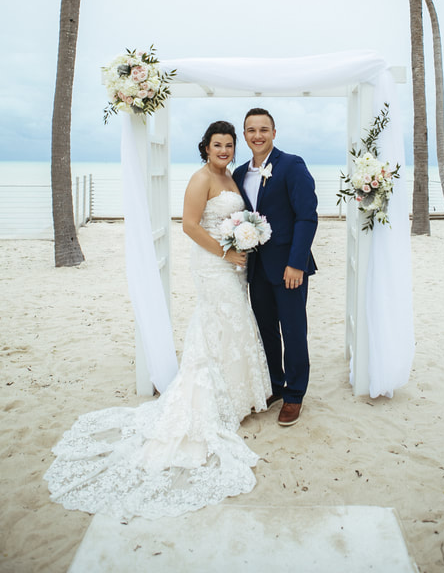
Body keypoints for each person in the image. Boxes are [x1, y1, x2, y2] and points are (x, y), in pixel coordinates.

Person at [45, 121, 271, 519]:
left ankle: (236, 396)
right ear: (205, 147)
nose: (223, 150)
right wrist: (225, 252)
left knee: (234, 325)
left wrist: (243, 241)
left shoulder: (231, 178)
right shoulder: (201, 179)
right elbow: (188, 225)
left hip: (234, 265)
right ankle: (213, 402)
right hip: (214, 265)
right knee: (219, 323)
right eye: (217, 144)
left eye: (228, 145)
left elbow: (235, 220)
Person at [233, 108, 318, 427]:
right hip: (256, 268)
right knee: (266, 329)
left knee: (294, 330)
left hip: (288, 268)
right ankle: (275, 385)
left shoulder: (292, 165)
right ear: (244, 135)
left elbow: (307, 216)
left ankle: (295, 395)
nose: (258, 135)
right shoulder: (240, 173)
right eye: (251, 130)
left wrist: (296, 263)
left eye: (264, 129)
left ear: (274, 133)